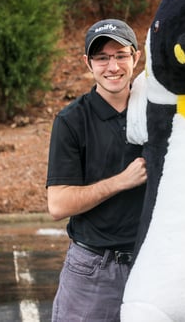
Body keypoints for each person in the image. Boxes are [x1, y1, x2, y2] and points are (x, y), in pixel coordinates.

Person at [46, 19, 147, 321]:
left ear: (136, 58)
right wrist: (121, 182)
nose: (112, 66)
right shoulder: (71, 121)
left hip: (152, 267)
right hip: (93, 270)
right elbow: (58, 204)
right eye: (102, 58)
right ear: (88, 64)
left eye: (120, 55)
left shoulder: (157, 114)